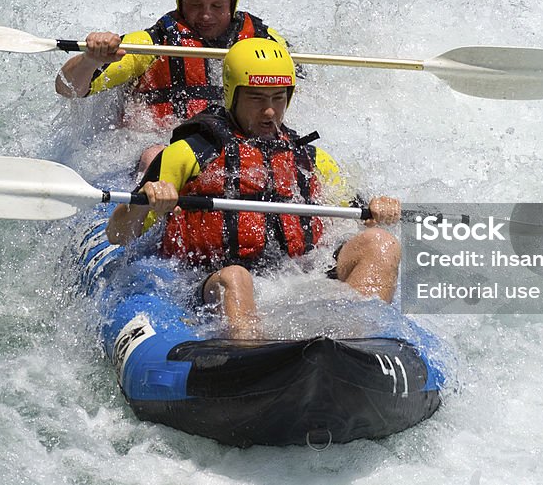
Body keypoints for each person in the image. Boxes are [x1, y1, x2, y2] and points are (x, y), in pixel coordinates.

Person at [106, 38, 402, 339]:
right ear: (232, 95)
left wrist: (379, 210)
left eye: (278, 98)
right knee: (236, 278)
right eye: (257, 98)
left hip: (298, 277)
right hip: (206, 280)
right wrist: (148, 200)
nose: (270, 112)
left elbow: (358, 216)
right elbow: (118, 235)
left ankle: (358, 345)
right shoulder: (189, 153)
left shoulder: (311, 159)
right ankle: (252, 357)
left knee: (381, 243)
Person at [55, 0, 291, 170]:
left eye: (217, 5)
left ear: (233, 2)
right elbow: (67, 88)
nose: (206, 15)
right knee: (156, 158)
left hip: (231, 143)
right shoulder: (152, 43)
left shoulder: (265, 41)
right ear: (180, 1)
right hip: (159, 144)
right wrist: (91, 59)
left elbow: (307, 90)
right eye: (196, 4)